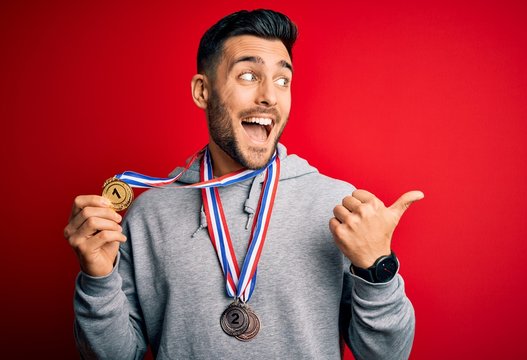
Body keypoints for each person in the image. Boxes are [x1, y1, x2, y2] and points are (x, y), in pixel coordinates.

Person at [64, 9, 423, 359]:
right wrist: (97, 278)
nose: (269, 95)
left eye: (283, 80)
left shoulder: (337, 206)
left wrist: (377, 267)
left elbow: (388, 355)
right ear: (202, 91)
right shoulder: (147, 216)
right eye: (249, 76)